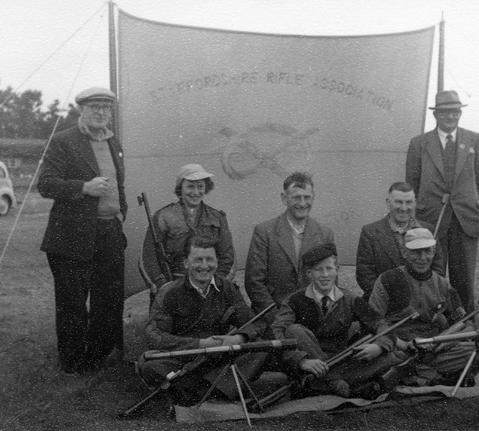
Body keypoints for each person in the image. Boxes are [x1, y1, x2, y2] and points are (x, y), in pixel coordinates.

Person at [38, 86, 128, 375]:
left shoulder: (114, 142)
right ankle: (73, 362)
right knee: (72, 303)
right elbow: (46, 184)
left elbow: (119, 183)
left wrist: (121, 211)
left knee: (109, 300)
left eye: (106, 107)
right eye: (95, 107)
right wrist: (83, 188)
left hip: (109, 232)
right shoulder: (63, 141)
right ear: (81, 110)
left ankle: (98, 357)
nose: (102, 113)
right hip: (71, 236)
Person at [138, 235, 269, 406]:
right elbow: (153, 336)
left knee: (260, 349)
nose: (205, 266)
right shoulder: (169, 292)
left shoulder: (227, 288)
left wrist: (238, 338)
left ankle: (193, 390)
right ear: (186, 263)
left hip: (219, 358)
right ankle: (217, 390)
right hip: (182, 358)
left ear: (217, 261)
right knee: (149, 366)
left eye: (210, 260)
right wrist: (199, 344)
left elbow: (255, 323)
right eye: (198, 260)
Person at [272, 243, 402, 398]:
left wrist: (378, 346)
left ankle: (317, 384)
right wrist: (301, 361)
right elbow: (276, 332)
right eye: (318, 269)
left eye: (329, 268)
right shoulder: (295, 300)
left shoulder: (350, 299)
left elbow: (381, 324)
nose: (325, 274)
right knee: (295, 330)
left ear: (337, 270)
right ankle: (342, 388)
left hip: (341, 361)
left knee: (390, 357)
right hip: (308, 364)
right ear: (309, 273)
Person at [405, 90, 479, 312]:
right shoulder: (419, 143)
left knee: (464, 279)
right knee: (432, 275)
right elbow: (412, 181)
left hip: (465, 221)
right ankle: (433, 325)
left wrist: (466, 201)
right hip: (431, 219)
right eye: (445, 113)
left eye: (455, 112)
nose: (451, 117)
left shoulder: (474, 139)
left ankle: (465, 329)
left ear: (460, 113)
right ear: (436, 115)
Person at [369, 228, 475, 386]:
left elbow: (466, 324)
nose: (422, 258)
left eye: (427, 252)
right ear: (404, 252)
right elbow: (372, 319)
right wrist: (400, 343)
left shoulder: (442, 284)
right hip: (399, 346)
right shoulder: (388, 280)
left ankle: (418, 374)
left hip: (432, 349)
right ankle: (430, 375)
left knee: (472, 350)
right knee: (380, 354)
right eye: (415, 252)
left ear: (433, 252)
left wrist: (445, 342)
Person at [245, 172, 334, 325]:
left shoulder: (324, 234)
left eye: (307, 197)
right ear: (284, 198)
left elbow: (330, 281)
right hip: (272, 317)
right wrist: (278, 319)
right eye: (296, 197)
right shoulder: (264, 232)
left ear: (314, 197)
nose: (302, 203)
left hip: (312, 319)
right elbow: (254, 283)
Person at [142, 164, 234, 296]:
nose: (196, 192)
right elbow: (149, 256)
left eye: (200, 187)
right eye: (190, 186)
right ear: (180, 188)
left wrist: (214, 283)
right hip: (172, 285)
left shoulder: (217, 217)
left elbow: (227, 256)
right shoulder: (163, 216)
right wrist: (162, 284)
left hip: (209, 286)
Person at [355, 182, 444, 301]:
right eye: (398, 202)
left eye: (409, 202)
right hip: (384, 304)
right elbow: (364, 276)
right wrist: (392, 299)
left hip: (423, 302)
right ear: (388, 203)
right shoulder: (370, 232)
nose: (403, 208)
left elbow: (438, 271)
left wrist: (421, 296)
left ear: (415, 203)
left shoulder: (429, 230)